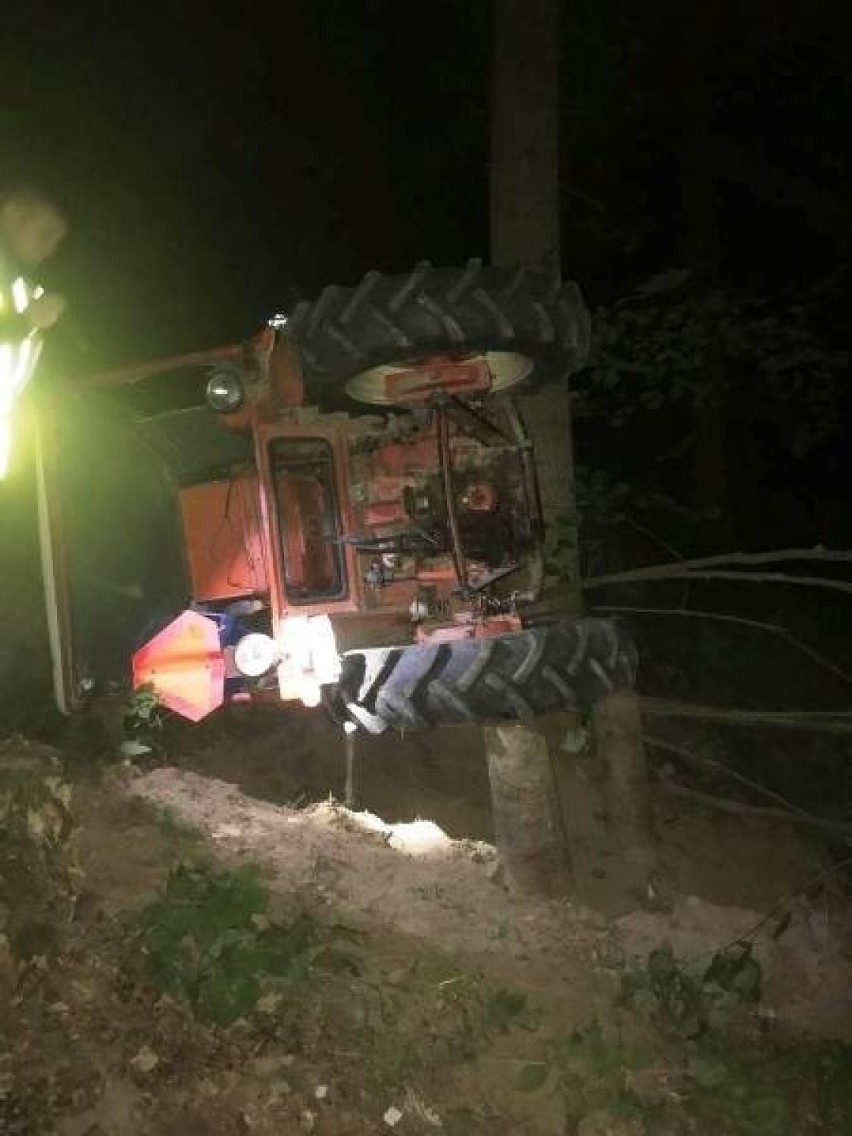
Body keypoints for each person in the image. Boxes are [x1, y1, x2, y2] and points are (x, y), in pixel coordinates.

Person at [0, 185, 68, 476]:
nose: (50, 248)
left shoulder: (24, 290)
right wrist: (27, 321)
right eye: (45, 233)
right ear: (11, 214)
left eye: (56, 241)